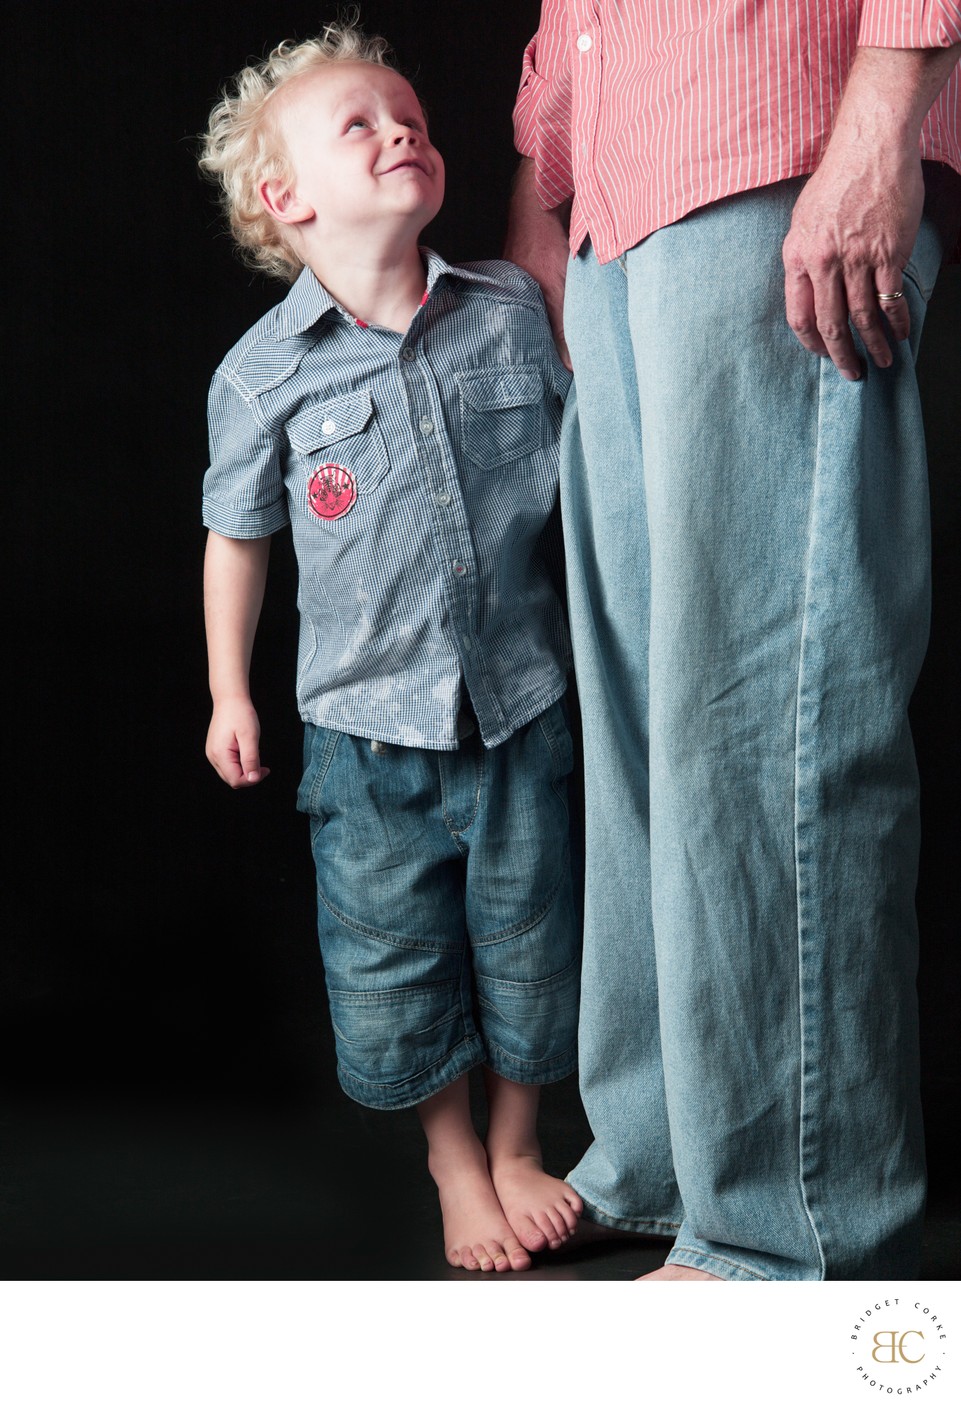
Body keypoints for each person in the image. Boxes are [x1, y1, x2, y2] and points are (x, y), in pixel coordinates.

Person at [506, 1, 961, 1280]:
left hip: (778, 140)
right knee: (652, 716)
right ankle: (659, 1155)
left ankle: (782, 1219)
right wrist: (550, 185)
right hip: (620, 186)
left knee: (769, 708)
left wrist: (881, 118)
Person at [199, 23, 583, 1274]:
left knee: (531, 940)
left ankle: (522, 1142)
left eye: (408, 115)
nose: (399, 131)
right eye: (357, 124)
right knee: (395, 956)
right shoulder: (263, 378)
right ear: (286, 198)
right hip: (366, 733)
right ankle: (454, 1158)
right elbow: (238, 538)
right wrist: (226, 691)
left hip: (523, 704)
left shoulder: (511, 311)